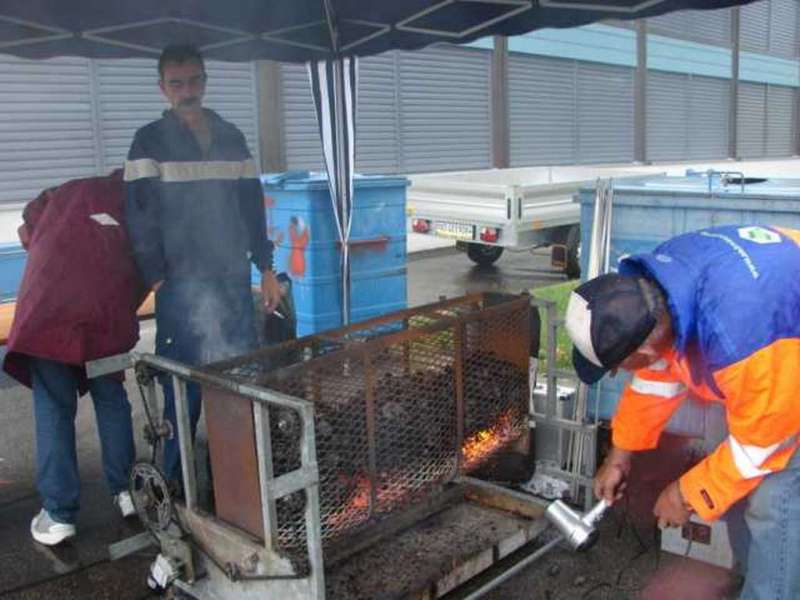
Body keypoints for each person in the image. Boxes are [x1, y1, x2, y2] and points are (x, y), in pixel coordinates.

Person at [565, 224, 800, 599]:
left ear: (640, 351)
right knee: (740, 485)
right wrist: (619, 455)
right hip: (776, 352)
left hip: (782, 354)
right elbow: (656, 376)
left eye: (614, 366)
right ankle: (756, 579)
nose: (616, 375)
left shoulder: (739, 335)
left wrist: (686, 494)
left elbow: (764, 445)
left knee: (776, 500)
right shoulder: (660, 293)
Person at [124, 45, 281, 485]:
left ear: (205, 82)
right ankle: (174, 482)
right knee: (182, 383)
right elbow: (138, 215)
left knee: (235, 375)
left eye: (194, 81)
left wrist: (265, 268)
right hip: (180, 284)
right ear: (163, 88)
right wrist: (156, 275)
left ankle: (235, 477)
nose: (187, 91)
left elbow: (253, 208)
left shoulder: (233, 137)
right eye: (177, 84)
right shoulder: (148, 141)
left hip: (232, 279)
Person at [4, 170, 144, 546]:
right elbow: (145, 273)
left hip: (50, 313)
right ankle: (129, 492)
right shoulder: (140, 205)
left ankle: (59, 513)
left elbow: (27, 230)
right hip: (104, 316)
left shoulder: (69, 192)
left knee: (54, 406)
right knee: (111, 399)